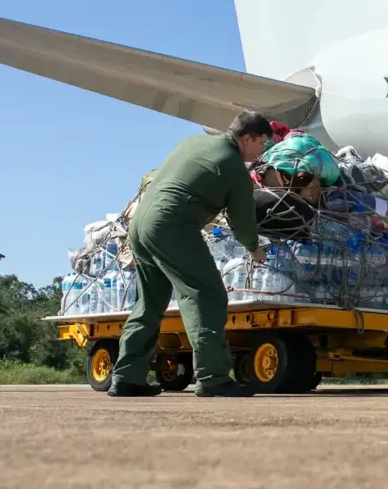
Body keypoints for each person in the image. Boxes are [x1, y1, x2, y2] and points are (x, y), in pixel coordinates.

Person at [108, 111, 273, 398]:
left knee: (149, 303)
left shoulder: (192, 142)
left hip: (141, 222)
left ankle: (126, 377)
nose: (262, 150)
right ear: (246, 138)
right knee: (206, 294)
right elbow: (242, 221)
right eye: (261, 143)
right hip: (172, 226)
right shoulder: (233, 166)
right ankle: (213, 377)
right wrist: (253, 248)